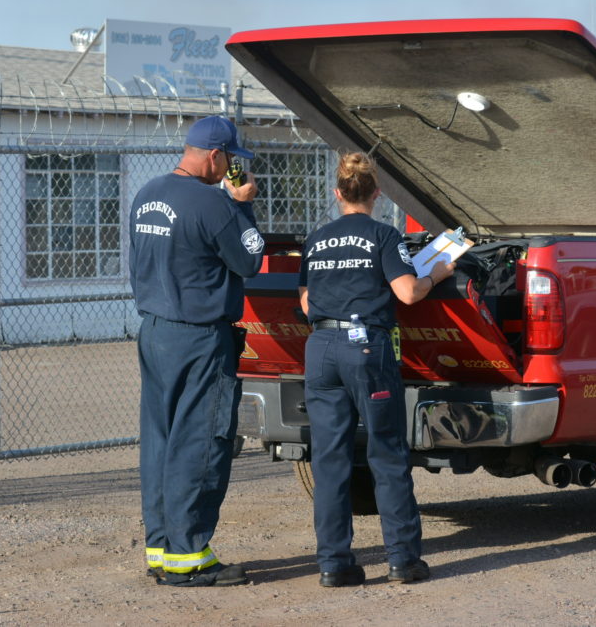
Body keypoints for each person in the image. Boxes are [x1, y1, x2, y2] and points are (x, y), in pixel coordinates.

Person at [298, 151, 455, 588]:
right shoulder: (383, 235)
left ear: (338, 193)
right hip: (365, 347)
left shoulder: (316, 239)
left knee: (329, 460)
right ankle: (402, 560)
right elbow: (408, 293)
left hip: (320, 349)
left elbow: (307, 303)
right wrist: (438, 274)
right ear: (377, 194)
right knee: (385, 453)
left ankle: (333, 565)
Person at [128, 115, 264, 587]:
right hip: (200, 337)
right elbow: (250, 260)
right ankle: (189, 558)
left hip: (154, 330)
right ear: (214, 156)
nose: (231, 169)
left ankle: (162, 548)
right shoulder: (213, 203)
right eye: (230, 160)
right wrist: (243, 205)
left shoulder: (147, 194)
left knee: (161, 442)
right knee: (200, 441)